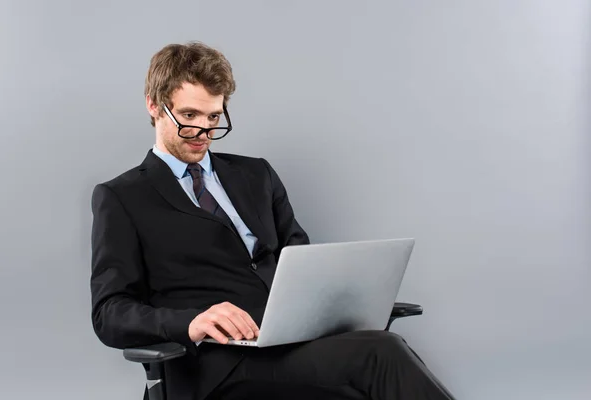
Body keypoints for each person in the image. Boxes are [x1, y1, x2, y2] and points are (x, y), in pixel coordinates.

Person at [90, 41, 455, 400]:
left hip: (290, 343)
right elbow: (110, 312)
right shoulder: (122, 197)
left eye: (214, 117)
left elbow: (301, 261)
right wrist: (190, 321)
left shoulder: (255, 175)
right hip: (218, 363)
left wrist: (343, 302)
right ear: (154, 106)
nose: (203, 132)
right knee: (381, 354)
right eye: (188, 117)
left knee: (374, 364)